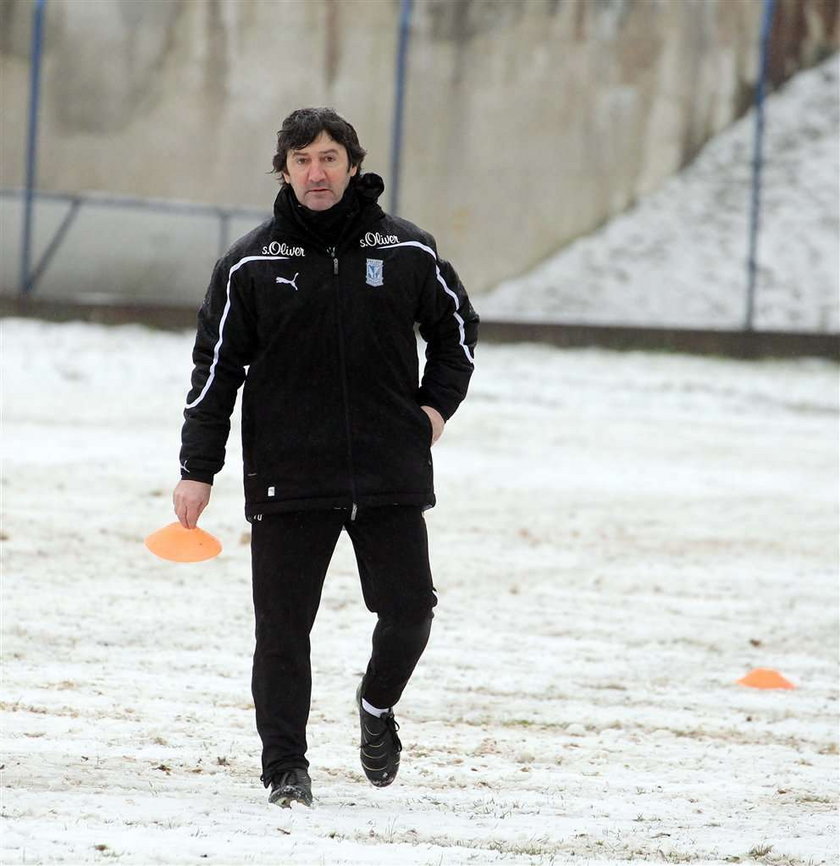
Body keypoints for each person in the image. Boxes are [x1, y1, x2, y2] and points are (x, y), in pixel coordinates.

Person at [172, 107, 478, 808]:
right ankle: (286, 769)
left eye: (330, 157)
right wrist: (198, 468)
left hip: (387, 471)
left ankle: (376, 709)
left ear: (353, 165)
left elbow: (456, 331)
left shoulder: (406, 250)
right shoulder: (249, 262)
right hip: (290, 474)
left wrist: (432, 410)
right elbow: (215, 370)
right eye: (303, 159)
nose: (317, 171)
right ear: (284, 170)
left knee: (410, 612)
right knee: (282, 632)